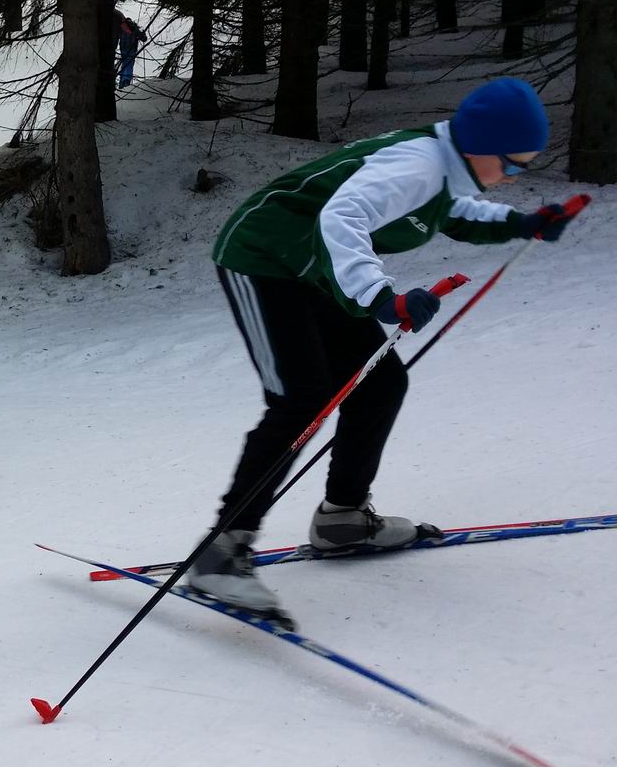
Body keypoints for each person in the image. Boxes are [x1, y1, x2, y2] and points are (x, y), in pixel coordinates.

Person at [190, 77, 580, 621]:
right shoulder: (417, 164)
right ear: (482, 146)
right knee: (299, 399)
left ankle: (342, 519)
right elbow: (342, 216)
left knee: (381, 382)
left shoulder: (444, 168)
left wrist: (523, 222)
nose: (512, 176)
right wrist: (380, 297)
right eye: (513, 166)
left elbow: (451, 212)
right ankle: (221, 552)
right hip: (264, 258)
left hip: (315, 269)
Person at [116, 10, 148, 89]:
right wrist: (143, 34)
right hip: (132, 49)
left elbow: (116, 36)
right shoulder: (134, 28)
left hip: (123, 49)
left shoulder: (121, 28)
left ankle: (122, 81)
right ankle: (126, 81)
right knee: (129, 64)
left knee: (125, 64)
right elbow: (144, 39)